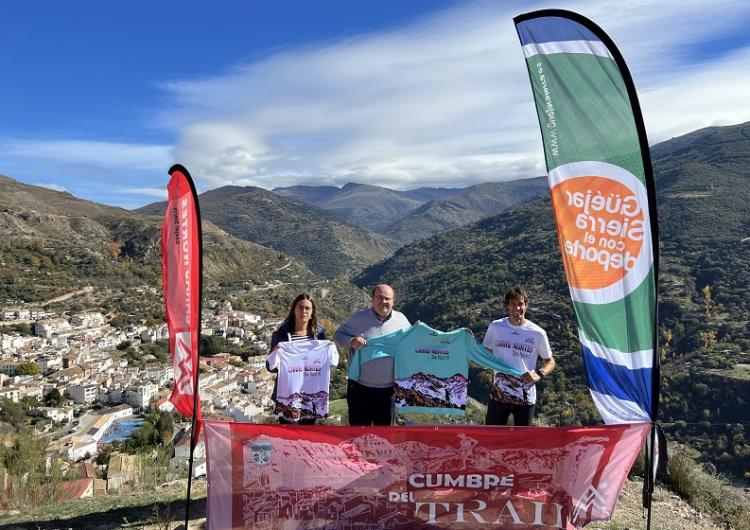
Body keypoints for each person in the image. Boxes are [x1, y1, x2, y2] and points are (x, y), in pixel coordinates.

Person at [334, 284, 410, 426]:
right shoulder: (357, 318)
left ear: (393, 301)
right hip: (359, 390)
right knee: (359, 436)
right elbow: (337, 335)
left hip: (389, 392)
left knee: (385, 437)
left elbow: (413, 345)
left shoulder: (402, 321)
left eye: (387, 298)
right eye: (379, 298)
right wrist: (350, 341)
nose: (383, 301)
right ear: (372, 299)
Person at [482, 286, 555, 426]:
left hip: (525, 397)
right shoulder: (495, 327)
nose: (517, 308)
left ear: (526, 305)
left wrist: (539, 373)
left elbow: (550, 361)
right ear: (507, 306)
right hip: (499, 395)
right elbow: (484, 352)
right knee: (492, 439)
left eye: (520, 304)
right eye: (513, 304)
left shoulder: (537, 333)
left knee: (523, 443)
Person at [267, 293, 326, 424]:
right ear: (294, 310)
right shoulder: (281, 334)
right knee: (287, 436)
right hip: (287, 395)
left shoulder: (320, 335)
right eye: (300, 307)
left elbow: (323, 365)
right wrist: (275, 353)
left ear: (312, 312)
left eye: (307, 308)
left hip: (310, 395)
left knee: (306, 437)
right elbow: (270, 368)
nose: (303, 311)